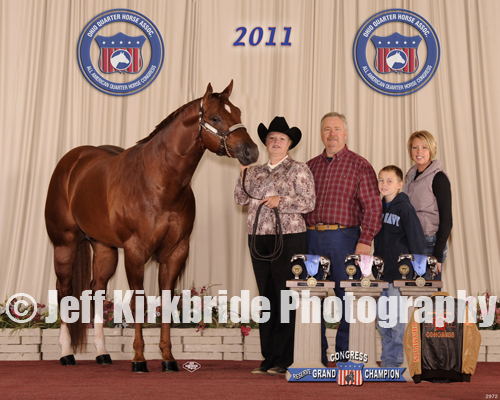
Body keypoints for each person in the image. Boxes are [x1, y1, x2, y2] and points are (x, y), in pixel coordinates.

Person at [234, 116, 316, 375]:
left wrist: (281, 201)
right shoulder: (255, 171)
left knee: (285, 295)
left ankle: (284, 357)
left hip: (289, 237)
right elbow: (240, 199)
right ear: (266, 143)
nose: (276, 142)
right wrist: (242, 174)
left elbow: (309, 202)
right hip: (258, 237)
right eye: (271, 138)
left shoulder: (299, 169)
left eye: (281, 138)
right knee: (267, 294)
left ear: (289, 143)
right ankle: (268, 356)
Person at [305, 112, 382, 366]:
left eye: (337, 129)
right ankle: (314, 354)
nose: (332, 134)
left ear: (345, 133)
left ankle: (345, 355)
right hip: (311, 237)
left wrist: (365, 239)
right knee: (311, 297)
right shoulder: (310, 167)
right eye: (327, 129)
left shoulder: (360, 165)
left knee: (347, 296)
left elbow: (373, 207)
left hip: (345, 237)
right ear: (321, 134)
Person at [374, 165, 426, 368]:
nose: (384, 184)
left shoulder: (405, 207)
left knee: (396, 319)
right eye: (381, 180)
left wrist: (417, 270)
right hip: (382, 273)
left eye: (389, 181)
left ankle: (395, 362)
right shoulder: (378, 207)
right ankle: (388, 358)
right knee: (382, 320)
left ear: (399, 184)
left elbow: (416, 239)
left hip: (399, 274)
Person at [403, 131, 452, 281]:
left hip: (430, 243)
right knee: (412, 292)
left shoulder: (439, 177)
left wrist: (437, 255)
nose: (419, 151)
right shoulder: (409, 177)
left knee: (427, 293)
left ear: (431, 151)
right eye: (415, 147)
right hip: (411, 242)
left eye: (424, 147)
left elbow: (447, 220)